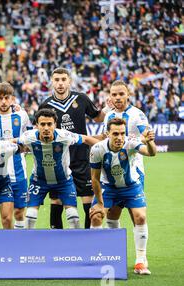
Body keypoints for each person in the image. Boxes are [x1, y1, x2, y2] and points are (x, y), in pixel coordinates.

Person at [39, 68, 107, 229]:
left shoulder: (81, 99)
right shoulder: (46, 105)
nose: (60, 83)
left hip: (82, 158)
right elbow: (39, 130)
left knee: (87, 200)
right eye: (57, 79)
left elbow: (97, 117)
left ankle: (87, 240)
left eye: (63, 79)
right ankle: (57, 242)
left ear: (69, 81)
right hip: (57, 160)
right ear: (52, 82)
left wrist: (107, 108)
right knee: (56, 201)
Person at [90, 118, 157, 275]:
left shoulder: (130, 143)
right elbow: (94, 178)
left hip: (131, 187)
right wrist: (99, 203)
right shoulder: (97, 149)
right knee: (96, 216)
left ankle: (141, 261)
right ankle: (100, 257)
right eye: (115, 134)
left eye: (122, 133)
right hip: (108, 188)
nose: (119, 137)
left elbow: (151, 153)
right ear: (108, 134)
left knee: (140, 217)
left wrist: (150, 142)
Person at [16, 109, 98, 229]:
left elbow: (85, 139)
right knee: (29, 216)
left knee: (73, 216)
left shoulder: (64, 136)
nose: (46, 128)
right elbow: (13, 142)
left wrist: (105, 148)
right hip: (39, 181)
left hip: (63, 181)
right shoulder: (28, 137)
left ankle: (76, 245)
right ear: (36, 125)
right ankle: (29, 245)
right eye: (42, 124)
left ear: (55, 124)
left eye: (49, 124)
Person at [0, 82, 32, 230]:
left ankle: (17, 243)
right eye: (0, 98)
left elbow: (29, 138)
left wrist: (22, 147)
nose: (3, 102)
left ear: (12, 99)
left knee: (19, 213)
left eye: (6, 98)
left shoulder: (22, 115)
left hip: (18, 172)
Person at [100, 80, 151, 228]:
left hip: (134, 170)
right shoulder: (108, 116)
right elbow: (105, 139)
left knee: (136, 214)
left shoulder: (137, 114)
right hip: (112, 171)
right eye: (114, 94)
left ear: (128, 95)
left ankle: (140, 251)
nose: (117, 97)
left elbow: (146, 136)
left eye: (121, 94)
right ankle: (114, 250)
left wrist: (130, 142)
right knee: (113, 213)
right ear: (110, 96)